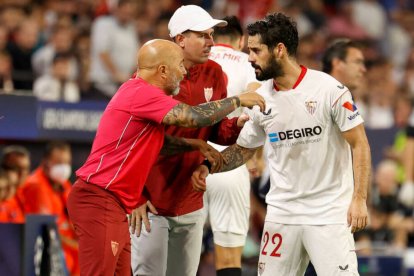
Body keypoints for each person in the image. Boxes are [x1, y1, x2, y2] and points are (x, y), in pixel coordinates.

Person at [192, 13, 371, 275]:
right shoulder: (261, 98)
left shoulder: (329, 90)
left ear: (279, 50)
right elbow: (244, 150)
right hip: (281, 215)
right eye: (249, 49)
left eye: (256, 50)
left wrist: (359, 199)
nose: (250, 57)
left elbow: (360, 144)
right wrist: (209, 165)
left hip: (327, 215)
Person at [67, 39, 264, 276]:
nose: (183, 72)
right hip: (100, 198)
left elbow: (158, 142)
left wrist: (194, 144)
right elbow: (192, 116)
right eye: (180, 66)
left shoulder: (141, 94)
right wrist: (238, 100)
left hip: (116, 204)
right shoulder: (142, 92)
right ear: (162, 70)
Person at [129, 6, 258, 276]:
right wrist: (135, 196)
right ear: (180, 40)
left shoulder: (214, 72)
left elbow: (214, 130)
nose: (211, 42)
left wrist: (236, 124)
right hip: (152, 201)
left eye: (211, 35)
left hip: (191, 199)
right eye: (202, 35)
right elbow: (133, 139)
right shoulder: (154, 77)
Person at [204, 15, 260, 276]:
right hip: (229, 163)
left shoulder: (194, 59)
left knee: (182, 253)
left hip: (189, 160)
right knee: (228, 259)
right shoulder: (249, 63)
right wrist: (255, 156)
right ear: (241, 41)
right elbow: (259, 108)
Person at [20, 141, 79, 275]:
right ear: (45, 162)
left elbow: (74, 220)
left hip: (71, 256)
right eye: (58, 162)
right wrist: (79, 246)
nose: (63, 167)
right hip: (52, 256)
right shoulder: (36, 186)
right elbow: (47, 231)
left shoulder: (63, 184)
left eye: (66, 162)